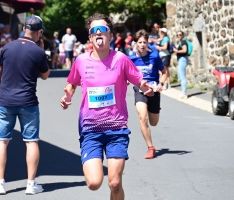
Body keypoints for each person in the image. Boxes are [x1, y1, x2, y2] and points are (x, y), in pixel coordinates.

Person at [60, 13, 153, 200]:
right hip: (90, 130)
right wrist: (67, 95)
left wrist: (145, 87)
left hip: (116, 129)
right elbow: (72, 84)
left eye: (103, 29)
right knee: (94, 183)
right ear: (90, 37)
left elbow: (138, 79)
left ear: (111, 36)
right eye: (94, 30)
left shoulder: (121, 60)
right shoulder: (81, 61)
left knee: (115, 183)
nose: (99, 33)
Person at [0, 15, 50, 195]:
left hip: (6, 101)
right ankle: (31, 185)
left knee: (2, 141)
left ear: (24, 28)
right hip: (28, 102)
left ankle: (0, 184)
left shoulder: (7, 47)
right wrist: (40, 51)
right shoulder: (38, 52)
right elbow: (45, 75)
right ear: (39, 32)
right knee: (31, 142)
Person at [129, 29, 167, 159]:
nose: (142, 45)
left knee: (154, 122)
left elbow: (165, 72)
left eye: (144, 42)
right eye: (139, 42)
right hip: (139, 89)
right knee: (142, 117)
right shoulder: (131, 59)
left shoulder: (154, 56)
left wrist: (161, 84)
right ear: (135, 43)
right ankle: (150, 147)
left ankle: (154, 111)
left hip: (154, 90)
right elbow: (127, 75)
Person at [173, 31, 188, 99]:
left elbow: (185, 50)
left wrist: (177, 51)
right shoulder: (181, 42)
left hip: (183, 59)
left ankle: (184, 93)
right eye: (177, 35)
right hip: (181, 59)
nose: (179, 36)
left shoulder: (184, 42)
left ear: (183, 35)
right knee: (180, 76)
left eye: (180, 35)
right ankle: (183, 92)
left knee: (182, 76)